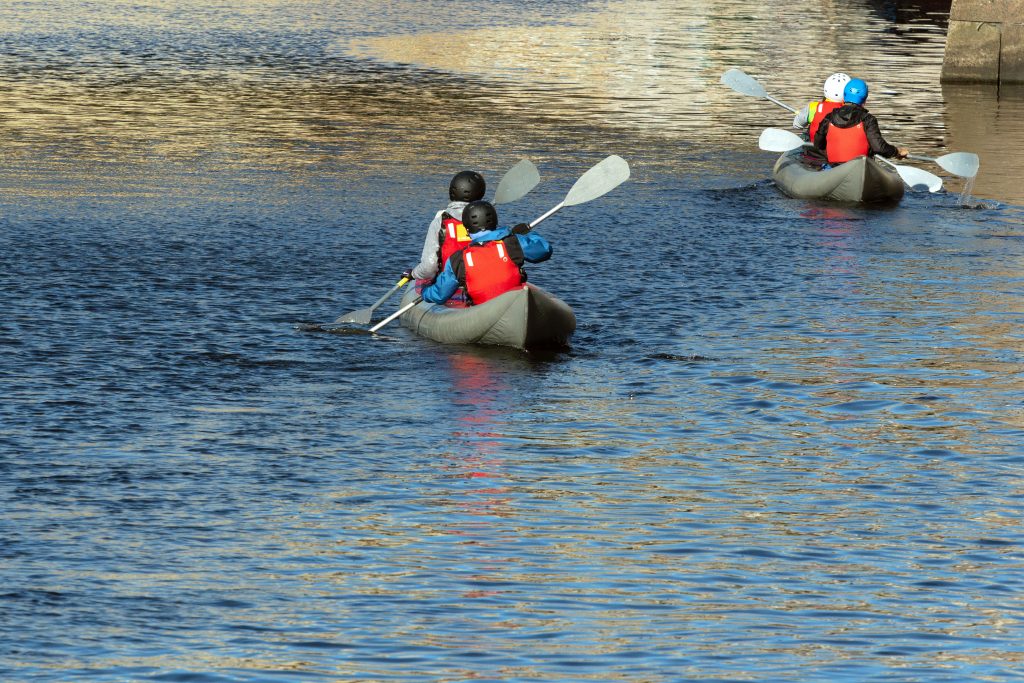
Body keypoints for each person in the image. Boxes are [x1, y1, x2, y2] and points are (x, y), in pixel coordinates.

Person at [420, 200, 552, 306]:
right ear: (495, 222)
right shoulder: (513, 242)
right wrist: (527, 233)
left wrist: (425, 291)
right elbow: (544, 250)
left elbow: (439, 295)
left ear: (467, 229)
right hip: (513, 303)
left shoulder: (458, 259)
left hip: (483, 308)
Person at [403, 170, 486, 283]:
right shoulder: (487, 219)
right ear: (480, 193)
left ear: (452, 192)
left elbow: (429, 267)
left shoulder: (440, 221)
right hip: (481, 281)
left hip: (449, 283)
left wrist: (413, 274)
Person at [813, 78, 909, 165]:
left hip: (834, 167)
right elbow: (879, 148)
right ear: (865, 99)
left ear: (844, 96)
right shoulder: (868, 120)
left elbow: (818, 144)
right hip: (861, 167)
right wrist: (897, 152)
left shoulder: (829, 117)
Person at [793, 72, 850, 142]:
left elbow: (797, 125)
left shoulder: (813, 107)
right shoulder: (850, 112)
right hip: (837, 149)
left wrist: (806, 116)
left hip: (813, 149)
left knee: (806, 134)